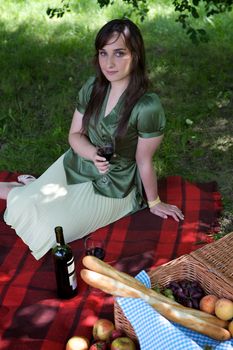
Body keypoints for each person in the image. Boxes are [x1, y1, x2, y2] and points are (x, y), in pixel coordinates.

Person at [1, 18, 184, 260]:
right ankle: (29, 188)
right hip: (79, 162)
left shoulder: (147, 106)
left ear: (136, 55)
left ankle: (29, 188)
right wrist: (92, 154)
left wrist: (154, 201)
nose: (109, 63)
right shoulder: (93, 87)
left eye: (119, 53)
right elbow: (74, 136)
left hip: (116, 184)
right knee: (26, 204)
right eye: (103, 53)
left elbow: (143, 160)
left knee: (53, 231)